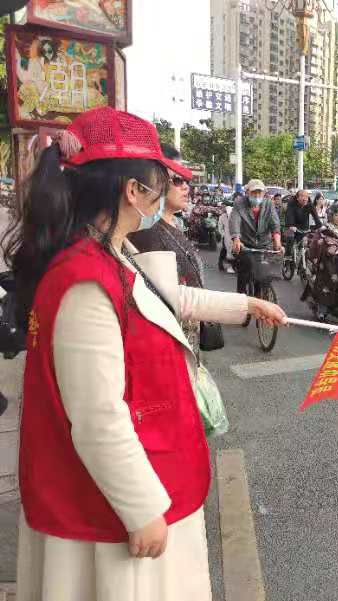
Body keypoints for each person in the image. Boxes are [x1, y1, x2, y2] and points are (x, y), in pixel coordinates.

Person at [2, 107, 287, 601]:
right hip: (109, 512)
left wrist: (247, 306)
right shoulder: (85, 280)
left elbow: (165, 297)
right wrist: (141, 509)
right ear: (133, 190)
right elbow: (97, 415)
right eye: (162, 180)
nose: (168, 190)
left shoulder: (110, 253)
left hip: (143, 478)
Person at [128, 144, 210, 354]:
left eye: (187, 181)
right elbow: (168, 298)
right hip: (168, 347)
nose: (186, 187)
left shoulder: (174, 224)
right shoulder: (146, 233)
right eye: (177, 180)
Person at [229, 179, 283, 295]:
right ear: (247, 192)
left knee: (263, 273)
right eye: (254, 192)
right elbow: (235, 221)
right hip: (246, 244)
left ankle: (260, 295)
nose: (257, 195)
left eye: (260, 192)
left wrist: (277, 241)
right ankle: (241, 297)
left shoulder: (269, 204)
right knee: (244, 270)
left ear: (264, 193)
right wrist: (236, 239)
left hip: (264, 243)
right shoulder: (239, 203)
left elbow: (275, 224)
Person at [284, 189, 321, 257]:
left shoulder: (310, 205)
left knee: (310, 240)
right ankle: (287, 256)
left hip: (304, 227)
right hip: (290, 226)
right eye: (302, 196)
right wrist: (291, 225)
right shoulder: (291, 203)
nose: (305, 199)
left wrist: (316, 227)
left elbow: (317, 219)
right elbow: (289, 215)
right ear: (297, 198)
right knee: (290, 237)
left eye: (306, 197)